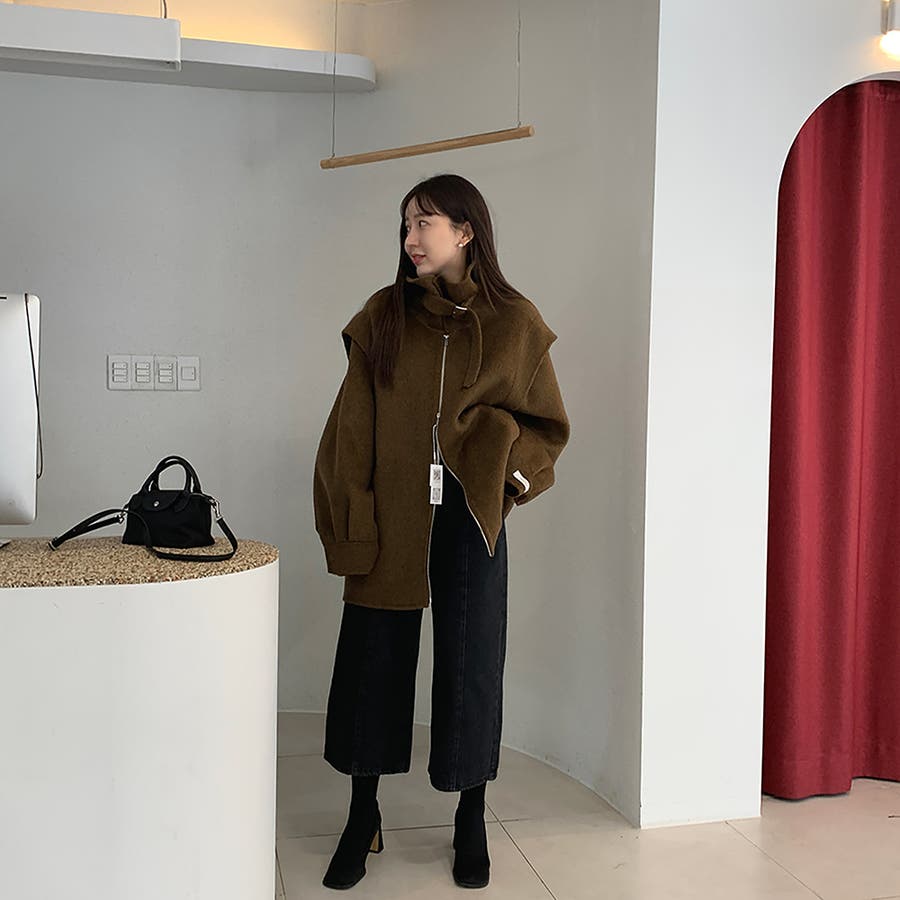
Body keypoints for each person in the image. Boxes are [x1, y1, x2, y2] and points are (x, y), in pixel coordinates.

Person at [313, 173, 570, 890]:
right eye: (405, 225)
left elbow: (547, 426)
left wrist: (507, 482)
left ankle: (471, 814)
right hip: (390, 509)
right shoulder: (383, 316)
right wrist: (351, 523)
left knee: (471, 662)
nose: (411, 238)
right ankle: (362, 814)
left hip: (469, 513)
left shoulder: (515, 323)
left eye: (424, 222)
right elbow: (349, 432)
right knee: (372, 659)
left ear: (465, 230)